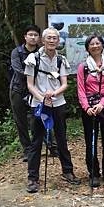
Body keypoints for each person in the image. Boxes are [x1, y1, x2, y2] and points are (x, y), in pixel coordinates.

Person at [24, 27, 81, 193]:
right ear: (43, 40)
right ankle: (32, 178)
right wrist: (42, 98)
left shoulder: (61, 60)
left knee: (61, 139)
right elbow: (30, 84)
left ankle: (68, 171)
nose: (51, 40)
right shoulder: (32, 58)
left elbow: (64, 84)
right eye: (48, 38)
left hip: (58, 103)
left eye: (54, 38)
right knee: (36, 141)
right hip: (39, 104)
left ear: (58, 41)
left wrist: (53, 94)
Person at [77, 34, 104, 186]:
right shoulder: (83, 67)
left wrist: (103, 103)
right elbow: (81, 89)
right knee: (90, 141)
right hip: (89, 108)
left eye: (97, 43)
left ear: (102, 46)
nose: (95, 46)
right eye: (91, 44)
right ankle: (93, 173)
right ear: (87, 48)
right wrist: (86, 107)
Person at [9, 25, 40, 162]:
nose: (33, 37)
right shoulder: (17, 52)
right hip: (18, 89)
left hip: (37, 90)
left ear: (39, 38)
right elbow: (18, 70)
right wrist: (34, 76)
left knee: (38, 118)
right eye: (30, 35)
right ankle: (27, 150)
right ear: (25, 37)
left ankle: (49, 146)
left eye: (35, 35)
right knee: (20, 120)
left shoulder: (41, 52)